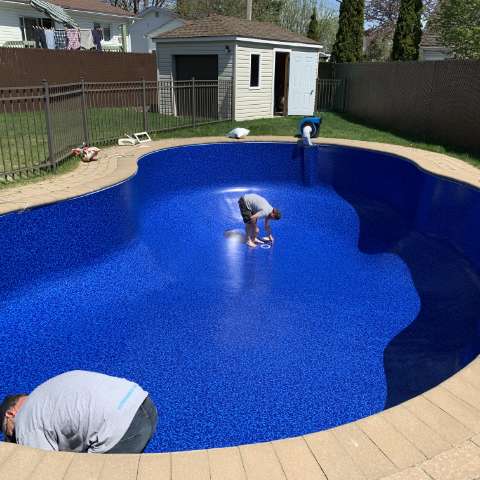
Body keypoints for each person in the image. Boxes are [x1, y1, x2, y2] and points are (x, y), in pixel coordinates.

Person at [0, 370, 157, 453]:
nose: (14, 439)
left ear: (10, 413)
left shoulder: (25, 423)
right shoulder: (44, 393)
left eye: (8, 433)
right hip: (143, 403)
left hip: (121, 428)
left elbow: (45, 465)